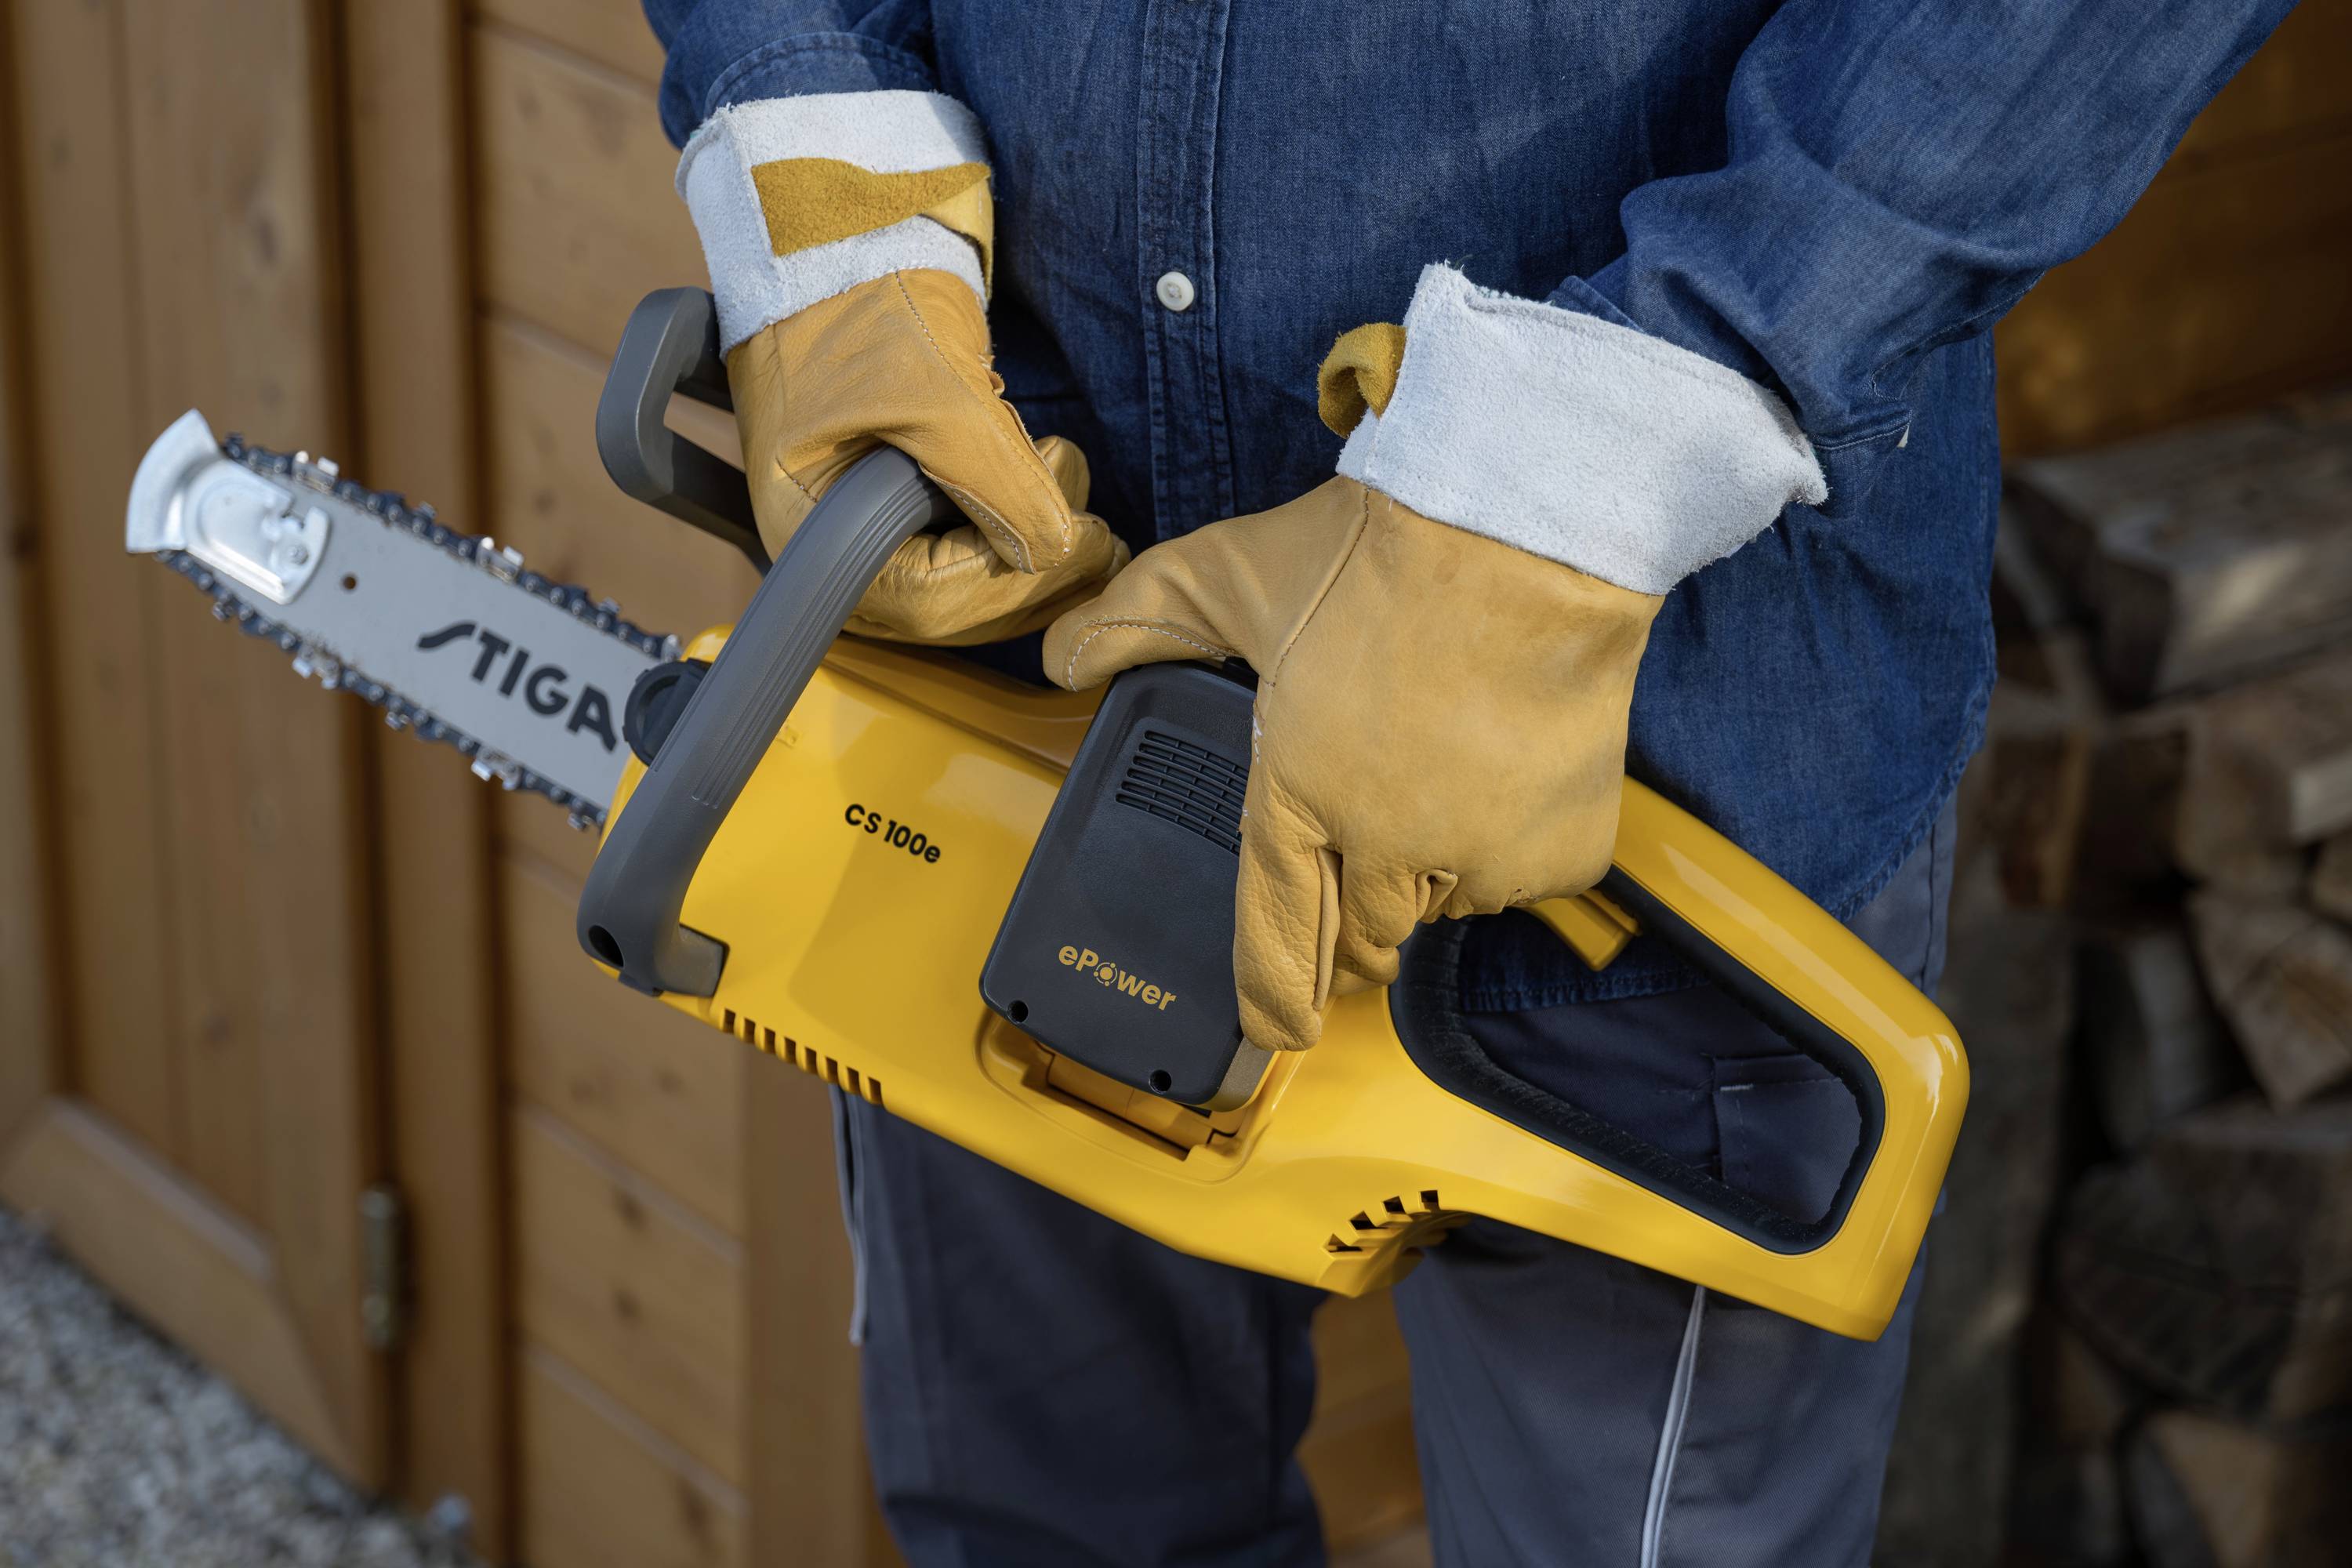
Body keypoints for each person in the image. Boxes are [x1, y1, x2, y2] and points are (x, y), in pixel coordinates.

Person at [641, 4, 2292, 1563]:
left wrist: (1589, 466)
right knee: (1049, 1520)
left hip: (1651, 741)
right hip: (1006, 677)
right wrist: (817, 159)